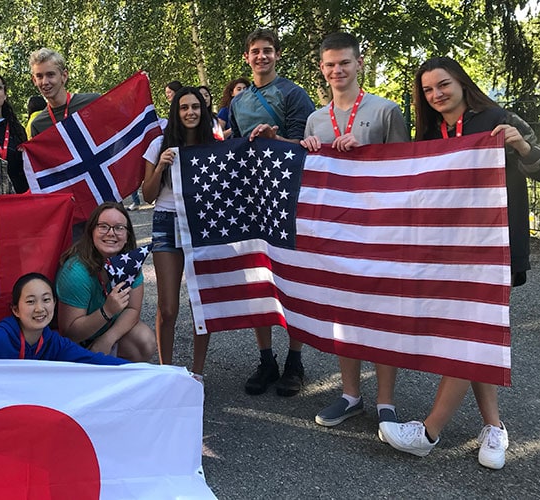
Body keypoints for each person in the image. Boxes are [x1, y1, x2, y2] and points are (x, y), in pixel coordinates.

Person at [379, 56, 540, 470]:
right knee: (474, 333)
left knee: (468, 333)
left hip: (496, 245)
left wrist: (521, 146)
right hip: (450, 248)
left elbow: (537, 165)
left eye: (443, 85)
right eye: (428, 89)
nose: (437, 95)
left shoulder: (497, 118)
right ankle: (494, 427)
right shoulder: (430, 132)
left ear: (461, 82)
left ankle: (428, 432)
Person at [299, 32, 410, 430]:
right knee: (343, 312)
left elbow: (406, 170)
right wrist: (307, 148)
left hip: (379, 229)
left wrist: (367, 150)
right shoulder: (315, 118)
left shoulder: (386, 110)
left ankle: (385, 402)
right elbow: (308, 177)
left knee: (381, 314)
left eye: (344, 62)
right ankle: (350, 395)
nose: (337, 70)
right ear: (322, 69)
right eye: (329, 64)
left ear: (359, 63)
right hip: (336, 231)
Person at [229, 28, 315, 397]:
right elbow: (233, 148)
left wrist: (274, 140)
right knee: (257, 278)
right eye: (254, 52)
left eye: (267, 51)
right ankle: (266, 359)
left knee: (292, 278)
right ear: (247, 58)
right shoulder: (237, 102)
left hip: (289, 194)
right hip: (251, 198)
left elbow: (306, 145)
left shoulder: (294, 94)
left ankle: (295, 360)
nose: (261, 57)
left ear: (277, 55)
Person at [141, 87, 217, 381]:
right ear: (176, 111)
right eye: (184, 107)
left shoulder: (212, 144)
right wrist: (160, 165)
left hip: (202, 223)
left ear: (203, 110)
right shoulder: (159, 144)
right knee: (168, 306)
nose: (190, 112)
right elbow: (147, 195)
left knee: (202, 304)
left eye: (195, 107)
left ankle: (198, 373)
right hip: (166, 219)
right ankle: (166, 373)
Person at [0, 273, 129, 365]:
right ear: (15, 310)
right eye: (30, 301)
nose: (39, 308)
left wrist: (144, 372)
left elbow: (92, 361)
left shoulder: (53, 343)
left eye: (46, 300)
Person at [55, 202, 156, 362]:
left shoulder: (130, 262)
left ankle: (117, 377)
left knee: (145, 341)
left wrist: (107, 339)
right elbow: (70, 333)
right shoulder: (75, 272)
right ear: (91, 231)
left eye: (119, 228)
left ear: (127, 234)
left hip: (107, 331)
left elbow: (133, 309)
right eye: (103, 226)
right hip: (77, 342)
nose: (111, 233)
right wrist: (107, 310)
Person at [29, 48, 100, 137]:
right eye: (39, 76)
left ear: (64, 76)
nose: (45, 82)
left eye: (50, 75)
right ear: (34, 80)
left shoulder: (92, 102)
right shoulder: (38, 125)